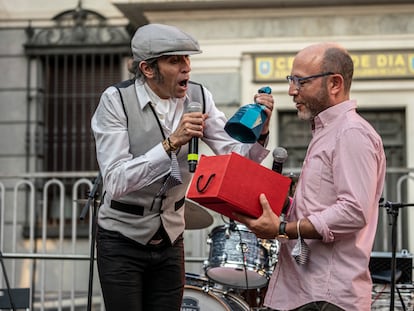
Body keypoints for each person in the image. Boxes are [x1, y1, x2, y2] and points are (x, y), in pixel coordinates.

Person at [91, 23, 274, 311]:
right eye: (174, 60)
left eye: (187, 59)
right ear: (148, 69)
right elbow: (115, 181)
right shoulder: (116, 101)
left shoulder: (200, 97)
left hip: (171, 235)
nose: (186, 68)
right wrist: (171, 143)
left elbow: (235, 158)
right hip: (121, 236)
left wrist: (259, 131)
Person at [234, 42, 386, 311]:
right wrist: (285, 206)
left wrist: (282, 229)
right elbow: (322, 207)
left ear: (335, 84)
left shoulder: (351, 133)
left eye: (301, 81)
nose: (292, 90)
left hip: (326, 296)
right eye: (291, 80)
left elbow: (352, 211)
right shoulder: (327, 130)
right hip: (303, 292)